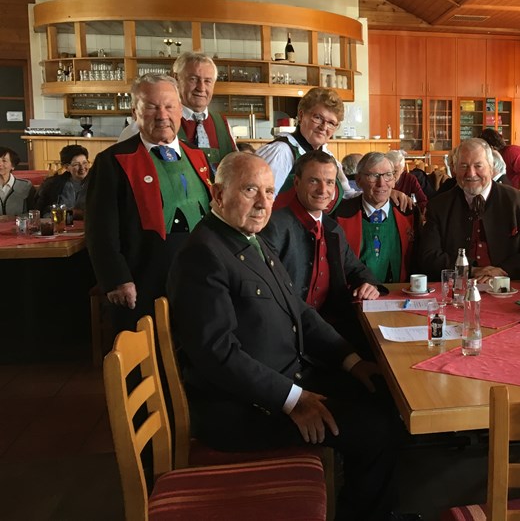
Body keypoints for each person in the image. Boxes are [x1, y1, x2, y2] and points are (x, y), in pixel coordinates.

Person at [166, 152, 404, 521]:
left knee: (384, 393)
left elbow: (301, 313)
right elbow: (218, 355)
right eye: (249, 191)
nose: (263, 204)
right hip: (245, 410)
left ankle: (370, 505)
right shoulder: (203, 255)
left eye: (269, 192)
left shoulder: (249, 238)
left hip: (286, 380)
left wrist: (352, 362)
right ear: (218, 194)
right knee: (377, 430)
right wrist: (294, 401)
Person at [86, 74, 213, 333]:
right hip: (144, 278)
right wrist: (117, 279)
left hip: (198, 277)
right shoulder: (113, 161)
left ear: (180, 110)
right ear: (136, 112)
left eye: (169, 106)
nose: (162, 115)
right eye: (152, 106)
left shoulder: (198, 156)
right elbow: (100, 230)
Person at [260, 151, 384, 357]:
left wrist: (367, 283)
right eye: (314, 181)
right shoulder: (274, 227)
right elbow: (279, 298)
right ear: (297, 183)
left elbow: (356, 268)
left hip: (332, 328)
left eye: (329, 182)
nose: (323, 190)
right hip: (290, 336)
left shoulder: (332, 228)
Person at [418, 138, 520, 282]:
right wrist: (471, 270)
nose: (471, 173)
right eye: (463, 166)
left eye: (478, 166)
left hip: (506, 286)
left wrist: (502, 271)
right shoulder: (439, 205)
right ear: (454, 170)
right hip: (457, 286)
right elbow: (428, 256)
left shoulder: (518, 202)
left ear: (491, 167)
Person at [119, 53, 236, 172]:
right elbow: (123, 169)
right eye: (193, 79)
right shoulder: (145, 124)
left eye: (207, 81)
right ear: (175, 78)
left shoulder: (223, 124)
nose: (201, 88)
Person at [255, 87, 357, 204]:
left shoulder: (327, 156)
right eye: (318, 118)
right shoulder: (281, 152)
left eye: (331, 123)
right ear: (302, 115)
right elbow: (261, 201)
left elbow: (347, 194)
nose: (323, 127)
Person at [334, 152, 419, 284]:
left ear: (394, 180)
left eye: (388, 175)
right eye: (373, 176)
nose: (381, 183)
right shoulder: (340, 214)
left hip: (399, 295)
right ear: (358, 180)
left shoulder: (408, 212)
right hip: (354, 296)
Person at [36, 144, 90, 218]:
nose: (82, 167)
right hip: (60, 227)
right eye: (76, 164)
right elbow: (42, 211)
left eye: (85, 163)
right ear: (66, 167)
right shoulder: (52, 184)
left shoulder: (99, 183)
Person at [0, 147, 36, 216]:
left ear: (13, 166)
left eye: (4, 161)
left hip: (19, 226)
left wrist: (12, 218)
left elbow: (33, 213)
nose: (0, 164)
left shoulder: (26, 186)